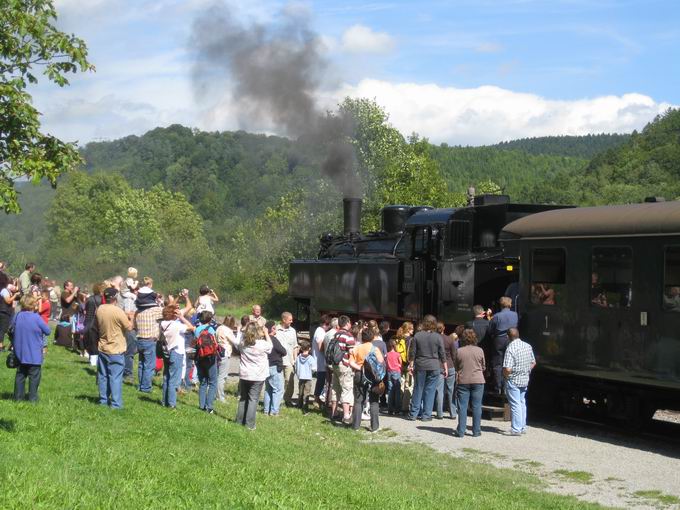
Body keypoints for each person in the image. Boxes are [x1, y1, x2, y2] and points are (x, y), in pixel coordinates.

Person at [96, 287, 132, 409]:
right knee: (115, 377)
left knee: (103, 375)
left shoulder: (100, 309)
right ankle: (116, 404)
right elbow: (129, 327)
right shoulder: (118, 311)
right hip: (116, 348)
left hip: (103, 346)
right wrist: (131, 317)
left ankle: (103, 400)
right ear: (115, 298)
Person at [11, 295, 51, 402]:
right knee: (34, 377)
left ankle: (18, 398)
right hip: (34, 354)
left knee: (20, 376)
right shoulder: (37, 317)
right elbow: (48, 331)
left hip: (20, 352)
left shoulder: (17, 316)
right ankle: (33, 399)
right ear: (33, 304)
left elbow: (11, 329)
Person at [407, 315, 446, 422]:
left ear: (424, 323)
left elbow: (412, 353)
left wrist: (411, 365)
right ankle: (426, 415)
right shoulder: (438, 337)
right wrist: (445, 368)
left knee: (418, 388)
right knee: (430, 390)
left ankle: (413, 414)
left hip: (420, 365)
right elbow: (442, 354)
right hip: (434, 366)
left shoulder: (417, 336)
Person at [236, 322, 272, 430]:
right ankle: (250, 424)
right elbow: (270, 347)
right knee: (253, 399)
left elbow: (238, 341)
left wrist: (241, 331)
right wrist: (266, 333)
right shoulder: (262, 344)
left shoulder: (243, 343)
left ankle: (239, 421)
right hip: (257, 376)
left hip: (244, 374)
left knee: (243, 398)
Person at [159, 304, 195, 409]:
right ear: (174, 314)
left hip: (166, 352)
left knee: (166, 377)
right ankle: (171, 404)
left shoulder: (162, 323)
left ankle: (164, 401)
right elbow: (192, 328)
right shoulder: (177, 325)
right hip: (176, 352)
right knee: (174, 380)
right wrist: (181, 317)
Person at [349, 328, 384, 432]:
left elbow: (351, 362)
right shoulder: (375, 349)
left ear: (362, 337)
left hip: (359, 374)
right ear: (373, 337)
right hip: (372, 377)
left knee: (358, 401)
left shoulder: (356, 348)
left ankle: (355, 426)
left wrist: (360, 368)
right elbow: (381, 363)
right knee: (374, 401)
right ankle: (374, 426)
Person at [503, 328, 536, 436]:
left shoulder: (510, 348)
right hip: (524, 379)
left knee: (515, 404)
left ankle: (516, 429)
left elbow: (507, 369)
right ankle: (522, 426)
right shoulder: (527, 346)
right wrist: (526, 370)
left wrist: (507, 377)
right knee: (522, 402)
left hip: (513, 380)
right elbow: (533, 362)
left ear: (508, 337)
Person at [454, 329, 485, 438]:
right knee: (477, 406)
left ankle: (461, 431)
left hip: (463, 380)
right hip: (478, 380)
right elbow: (483, 366)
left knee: (462, 406)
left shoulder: (459, 351)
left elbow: (456, 366)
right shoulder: (480, 350)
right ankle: (476, 431)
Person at [487, 296, 518, 394]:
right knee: (510, 363)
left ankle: (498, 387)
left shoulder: (496, 316)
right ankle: (507, 386)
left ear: (500, 304)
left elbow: (490, 330)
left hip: (499, 340)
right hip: (511, 339)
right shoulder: (515, 315)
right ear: (510, 304)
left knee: (497, 363)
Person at [134, 293, 163, 394]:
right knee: (149, 365)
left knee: (141, 364)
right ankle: (146, 387)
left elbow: (135, 326)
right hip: (150, 340)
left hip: (139, 339)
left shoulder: (138, 311)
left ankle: (141, 385)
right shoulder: (155, 310)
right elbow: (168, 313)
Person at [330, 315, 355, 424]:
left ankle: (334, 413)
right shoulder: (348, 336)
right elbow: (351, 353)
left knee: (335, 388)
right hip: (344, 365)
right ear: (347, 323)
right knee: (347, 389)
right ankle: (346, 415)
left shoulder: (336, 334)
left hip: (335, 365)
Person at [192, 311, 218, 413]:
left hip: (199, 357)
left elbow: (195, 342)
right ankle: (209, 407)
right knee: (212, 382)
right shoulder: (211, 330)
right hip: (210, 358)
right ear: (210, 320)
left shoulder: (197, 329)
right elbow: (214, 344)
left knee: (203, 382)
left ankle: (202, 406)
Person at [263, 320, 287, 416]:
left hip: (266, 366)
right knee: (278, 389)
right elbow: (283, 351)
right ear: (272, 329)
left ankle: (266, 410)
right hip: (274, 366)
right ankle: (274, 411)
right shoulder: (273, 339)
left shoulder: (263, 339)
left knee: (268, 389)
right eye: (274, 327)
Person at [435, 324, 457, 420]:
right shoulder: (449, 339)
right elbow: (454, 354)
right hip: (450, 365)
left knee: (439, 390)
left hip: (438, 365)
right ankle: (453, 413)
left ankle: (440, 413)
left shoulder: (434, 339)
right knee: (450, 390)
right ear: (444, 328)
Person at [276, 311, 298, 407]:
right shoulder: (276, 330)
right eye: (290, 320)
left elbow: (295, 346)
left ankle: (287, 400)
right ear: (284, 320)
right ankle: (278, 401)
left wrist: (295, 359)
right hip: (278, 360)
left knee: (289, 382)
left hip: (289, 360)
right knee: (278, 382)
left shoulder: (292, 331)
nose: (291, 321)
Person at [216, 315, 239, 402]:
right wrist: (239, 332)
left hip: (218, 351)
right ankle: (220, 397)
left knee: (218, 374)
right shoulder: (228, 330)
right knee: (222, 376)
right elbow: (236, 342)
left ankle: (216, 394)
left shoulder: (219, 328)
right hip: (225, 352)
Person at [311, 314, 330, 406]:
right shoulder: (320, 331)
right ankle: (316, 398)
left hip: (321, 360)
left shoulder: (320, 331)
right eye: (327, 324)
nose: (328, 326)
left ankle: (317, 397)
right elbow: (320, 347)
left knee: (321, 380)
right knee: (321, 380)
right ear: (324, 323)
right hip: (320, 360)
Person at [294, 340, 316, 414]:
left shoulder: (298, 357)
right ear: (309, 348)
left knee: (300, 392)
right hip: (308, 377)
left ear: (301, 349)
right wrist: (311, 373)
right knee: (307, 393)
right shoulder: (311, 358)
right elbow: (314, 368)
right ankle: (305, 408)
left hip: (300, 377)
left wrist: (298, 373)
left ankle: (299, 405)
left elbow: (296, 367)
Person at [0, 272, 20, 352]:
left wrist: (17, 282)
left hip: (5, 311)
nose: (13, 286)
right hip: (3, 311)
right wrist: (15, 296)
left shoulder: (8, 290)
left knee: (4, 329)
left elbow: (16, 289)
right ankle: (0, 346)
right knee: (2, 329)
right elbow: (8, 301)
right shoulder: (5, 290)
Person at [385, 339, 403, 415]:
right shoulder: (397, 354)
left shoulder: (387, 354)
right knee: (397, 391)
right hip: (396, 372)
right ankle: (397, 409)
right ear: (394, 346)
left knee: (390, 390)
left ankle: (390, 409)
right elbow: (401, 363)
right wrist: (399, 366)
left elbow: (385, 362)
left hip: (389, 372)